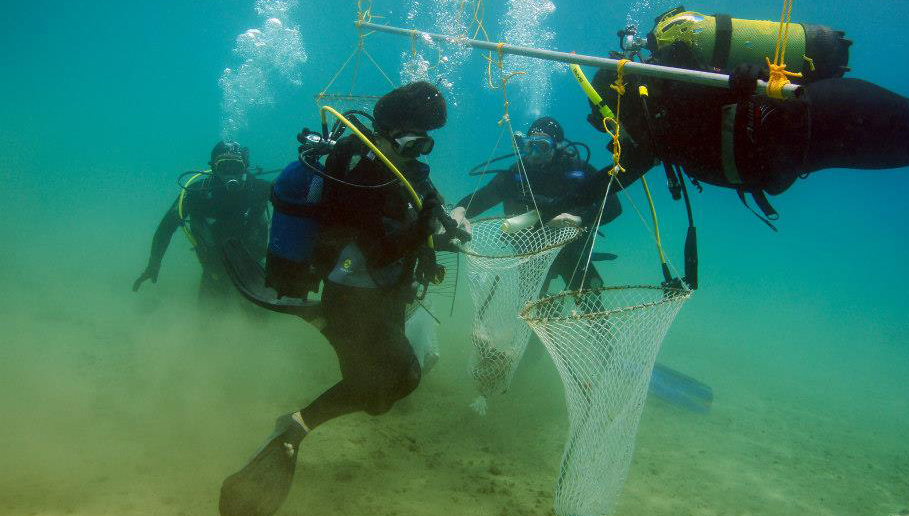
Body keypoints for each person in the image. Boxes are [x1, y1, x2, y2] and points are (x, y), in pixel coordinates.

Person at [218, 81, 464, 516]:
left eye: (429, 141)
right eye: (417, 139)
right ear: (391, 129)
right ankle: (294, 428)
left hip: (379, 296)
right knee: (395, 382)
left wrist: (438, 231)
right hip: (354, 297)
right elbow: (381, 250)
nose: (424, 150)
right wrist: (425, 225)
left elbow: (397, 232)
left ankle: (319, 334)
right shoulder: (364, 171)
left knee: (381, 396)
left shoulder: (392, 165)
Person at [546, 0, 909, 227]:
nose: (610, 132)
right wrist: (544, 212)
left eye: (605, 119)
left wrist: (748, 76)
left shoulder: (673, 88)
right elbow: (607, 183)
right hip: (819, 149)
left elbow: (736, 81)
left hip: (829, 110)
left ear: (616, 99)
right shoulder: (654, 136)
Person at [450, 116, 622, 294]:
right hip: (530, 253)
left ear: (557, 147)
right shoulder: (517, 173)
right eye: (528, 145)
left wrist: (578, 219)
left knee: (590, 300)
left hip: (572, 250)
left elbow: (613, 207)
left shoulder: (578, 171)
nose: (533, 153)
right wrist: (460, 209)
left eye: (542, 146)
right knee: (532, 307)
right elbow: (486, 195)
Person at [133, 141, 272, 307]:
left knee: (259, 322)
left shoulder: (260, 190)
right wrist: (153, 264)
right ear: (213, 167)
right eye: (224, 166)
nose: (230, 173)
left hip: (253, 268)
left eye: (235, 166)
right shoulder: (196, 194)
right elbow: (166, 228)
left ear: (245, 167)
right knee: (209, 322)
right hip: (215, 270)